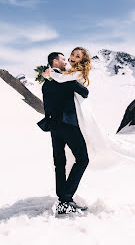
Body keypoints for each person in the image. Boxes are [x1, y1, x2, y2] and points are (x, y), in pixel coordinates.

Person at [42, 47, 135, 170]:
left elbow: (63, 80)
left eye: (77, 56)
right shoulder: (70, 71)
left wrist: (50, 73)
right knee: (84, 132)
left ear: (82, 61)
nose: (73, 57)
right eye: (73, 54)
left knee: (89, 132)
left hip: (80, 107)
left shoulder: (78, 72)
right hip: (74, 106)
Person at [39, 52, 90, 215]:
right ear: (55, 62)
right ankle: (66, 198)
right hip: (68, 124)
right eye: (62, 59)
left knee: (59, 163)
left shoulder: (45, 83)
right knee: (82, 159)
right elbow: (85, 92)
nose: (66, 62)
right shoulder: (65, 79)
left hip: (53, 126)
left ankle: (62, 200)